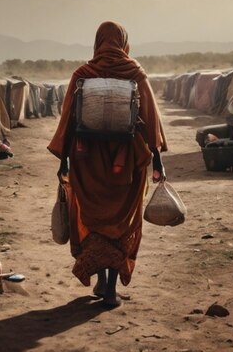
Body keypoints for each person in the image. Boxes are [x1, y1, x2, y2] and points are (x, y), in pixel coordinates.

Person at [48, 21, 167, 308]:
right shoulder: (135, 74)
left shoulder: (82, 75)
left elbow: (67, 119)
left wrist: (63, 158)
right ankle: (110, 288)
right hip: (125, 165)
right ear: (124, 42)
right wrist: (158, 159)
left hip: (87, 161)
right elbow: (151, 118)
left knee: (96, 219)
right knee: (121, 222)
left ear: (98, 41)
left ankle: (102, 282)